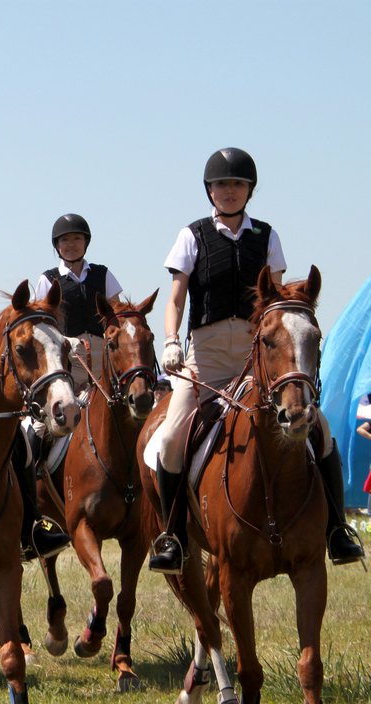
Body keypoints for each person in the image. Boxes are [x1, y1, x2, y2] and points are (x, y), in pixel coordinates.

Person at [152, 147, 363, 574]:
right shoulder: (191, 236)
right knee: (171, 437)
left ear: (249, 190)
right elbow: (175, 299)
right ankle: (172, 535)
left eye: (237, 184)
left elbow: (278, 303)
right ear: (209, 190)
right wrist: (171, 340)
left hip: (258, 355)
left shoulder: (267, 236)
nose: (228, 191)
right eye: (221, 185)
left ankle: (337, 528)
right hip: (207, 355)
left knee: (319, 429)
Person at [35, 214, 123, 392]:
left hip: (101, 357)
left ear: (86, 242)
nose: (71, 244)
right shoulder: (48, 279)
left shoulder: (103, 274)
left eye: (77, 238)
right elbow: (39, 326)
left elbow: (117, 315)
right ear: (57, 245)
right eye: (65, 240)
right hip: (66, 357)